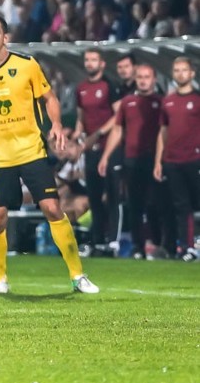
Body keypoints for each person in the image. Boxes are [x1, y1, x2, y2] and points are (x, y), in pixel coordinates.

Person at [0, 13, 99, 294]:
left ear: (6, 37)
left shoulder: (26, 65)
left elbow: (49, 98)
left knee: (52, 208)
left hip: (32, 152)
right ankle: (0, 280)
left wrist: (57, 124)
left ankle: (77, 275)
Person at [98, 64, 170, 259]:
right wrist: (106, 156)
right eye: (140, 76)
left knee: (156, 204)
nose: (143, 80)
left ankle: (157, 244)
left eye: (147, 76)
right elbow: (118, 130)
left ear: (154, 79)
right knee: (134, 204)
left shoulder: (162, 102)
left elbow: (167, 131)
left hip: (154, 159)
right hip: (131, 160)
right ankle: (138, 246)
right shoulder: (127, 102)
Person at [71, 49, 121, 255]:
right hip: (90, 149)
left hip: (109, 146)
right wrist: (77, 135)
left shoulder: (110, 86)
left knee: (112, 195)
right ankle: (97, 239)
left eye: (94, 60)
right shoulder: (81, 88)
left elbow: (118, 115)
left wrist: (99, 132)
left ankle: (113, 240)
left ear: (102, 64)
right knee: (94, 196)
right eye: (87, 60)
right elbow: (80, 118)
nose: (90, 63)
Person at [154, 57, 200, 258]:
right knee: (182, 207)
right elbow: (163, 131)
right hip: (173, 161)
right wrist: (158, 160)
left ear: (192, 73)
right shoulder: (168, 101)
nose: (180, 73)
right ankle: (187, 247)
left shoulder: (198, 99)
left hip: (194, 159)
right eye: (176, 70)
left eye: (184, 70)